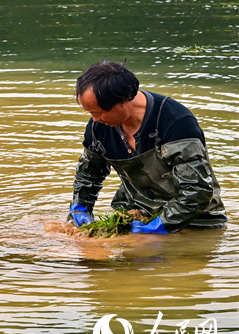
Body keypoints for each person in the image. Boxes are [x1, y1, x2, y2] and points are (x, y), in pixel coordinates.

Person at [68, 61, 227, 233]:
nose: (95, 119)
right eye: (91, 113)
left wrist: (158, 226)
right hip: (135, 214)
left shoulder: (176, 122)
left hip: (195, 222)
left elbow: (198, 190)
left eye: (98, 112)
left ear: (123, 100)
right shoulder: (98, 127)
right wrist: (79, 207)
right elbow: (89, 175)